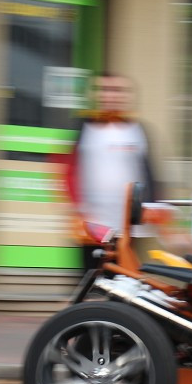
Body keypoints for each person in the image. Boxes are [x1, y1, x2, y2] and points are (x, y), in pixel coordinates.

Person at [64, 73, 160, 268]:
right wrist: (74, 209)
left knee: (126, 280)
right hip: (93, 226)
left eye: (117, 90)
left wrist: (154, 208)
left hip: (128, 226)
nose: (110, 96)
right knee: (91, 280)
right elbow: (68, 169)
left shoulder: (139, 130)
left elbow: (150, 173)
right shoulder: (82, 128)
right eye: (104, 90)